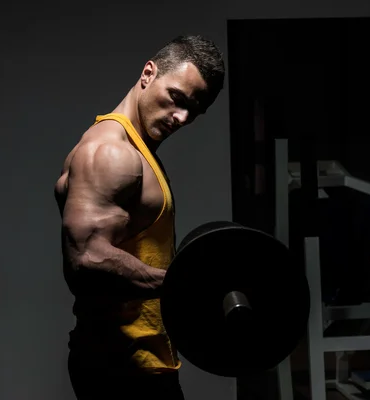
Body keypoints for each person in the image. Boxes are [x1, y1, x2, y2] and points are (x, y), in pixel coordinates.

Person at [54, 35, 225, 400]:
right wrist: (183, 284)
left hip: (142, 361)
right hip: (120, 366)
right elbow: (85, 258)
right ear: (149, 73)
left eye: (194, 111)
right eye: (177, 98)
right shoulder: (111, 153)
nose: (182, 118)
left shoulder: (138, 150)